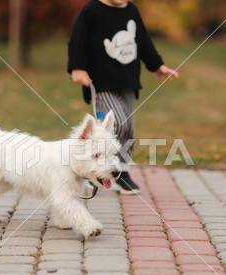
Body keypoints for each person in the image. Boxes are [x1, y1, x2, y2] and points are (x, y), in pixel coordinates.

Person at [68, 0, 179, 195]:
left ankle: (123, 172)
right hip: (101, 83)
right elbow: (78, 40)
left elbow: (143, 42)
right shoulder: (92, 10)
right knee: (117, 123)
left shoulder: (131, 10)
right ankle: (96, 169)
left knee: (129, 129)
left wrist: (157, 66)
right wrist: (77, 68)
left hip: (128, 81)